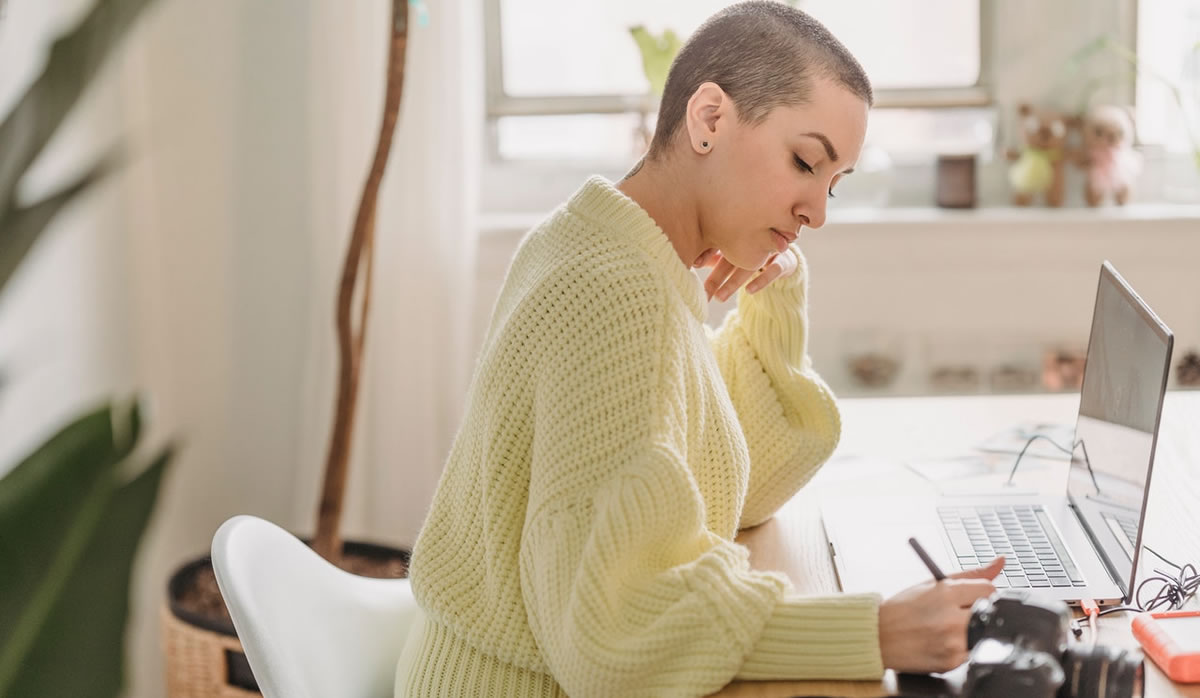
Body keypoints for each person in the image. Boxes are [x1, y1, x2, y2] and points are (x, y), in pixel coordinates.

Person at [395, 2, 1003, 696]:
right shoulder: (612, 295)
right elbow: (614, 637)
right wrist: (875, 632)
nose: (819, 211)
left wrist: (775, 292)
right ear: (709, 119)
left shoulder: (618, 248)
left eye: (832, 183)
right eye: (805, 162)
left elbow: (743, 487)